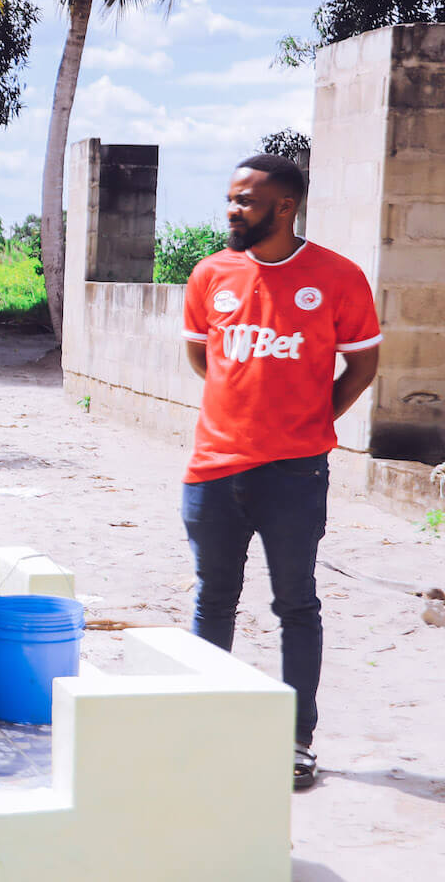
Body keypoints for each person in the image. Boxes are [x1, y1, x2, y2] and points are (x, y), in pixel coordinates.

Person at [181, 154, 381, 789]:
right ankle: (208, 727)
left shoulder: (339, 277)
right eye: (231, 199)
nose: (233, 210)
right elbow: (202, 355)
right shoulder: (211, 274)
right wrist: (243, 409)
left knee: (295, 603)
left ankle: (297, 740)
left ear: (285, 207)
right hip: (212, 470)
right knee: (213, 600)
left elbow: (362, 366)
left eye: (245, 200)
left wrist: (307, 423)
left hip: (294, 475)